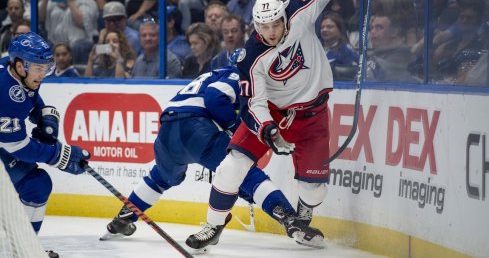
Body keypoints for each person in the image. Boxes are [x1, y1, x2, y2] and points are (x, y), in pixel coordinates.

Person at [101, 51, 322, 249]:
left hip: (168, 131)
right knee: (245, 174)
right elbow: (215, 97)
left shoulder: (211, 74)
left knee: (161, 176)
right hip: (196, 129)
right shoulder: (238, 74)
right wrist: (234, 130)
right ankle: (292, 221)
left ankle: (123, 218)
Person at [186, 0, 346, 251]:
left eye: (275, 24)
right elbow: (253, 103)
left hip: (312, 116)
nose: (271, 32)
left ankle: (303, 215)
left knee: (314, 190)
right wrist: (270, 131)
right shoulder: (251, 56)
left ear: (283, 17)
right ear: (256, 26)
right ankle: (213, 226)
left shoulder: (299, 12)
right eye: (265, 27)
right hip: (272, 114)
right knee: (230, 168)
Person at [0, 32, 90, 258]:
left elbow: (28, 97)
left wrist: (41, 112)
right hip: (7, 145)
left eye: (45, 68)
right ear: (20, 66)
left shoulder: (13, 69)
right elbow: (17, 146)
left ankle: (23, 247)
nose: (43, 74)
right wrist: (59, 155)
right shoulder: (6, 94)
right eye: (38, 68)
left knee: (36, 185)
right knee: (34, 184)